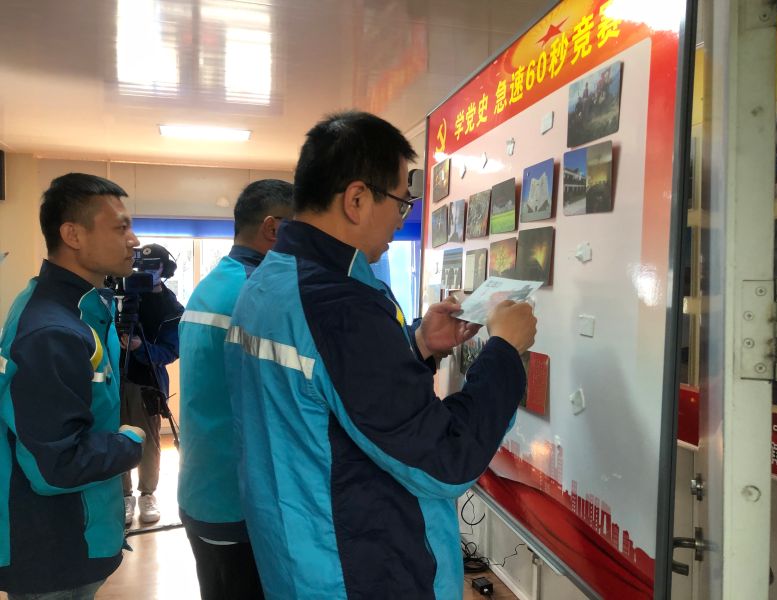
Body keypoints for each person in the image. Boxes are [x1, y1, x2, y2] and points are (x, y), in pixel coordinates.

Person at [224, 111, 537, 599]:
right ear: (356, 199)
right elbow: (445, 459)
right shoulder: (339, 305)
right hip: (358, 568)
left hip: (300, 555)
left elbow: (328, 393)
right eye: (401, 201)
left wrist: (419, 343)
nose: (401, 218)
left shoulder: (271, 279)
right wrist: (504, 351)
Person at [0, 173, 145, 599]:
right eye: (120, 227)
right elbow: (55, 466)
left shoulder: (77, 309)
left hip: (74, 533)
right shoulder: (53, 330)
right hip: (54, 547)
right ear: (73, 235)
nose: (134, 240)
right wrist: (129, 443)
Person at [178, 179, 293, 599]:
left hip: (204, 488)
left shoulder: (214, 283)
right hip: (239, 500)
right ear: (273, 228)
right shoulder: (257, 293)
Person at [119, 243, 184, 525]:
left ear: (164, 268)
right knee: (117, 438)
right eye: (141, 266)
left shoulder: (172, 308)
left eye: (152, 266)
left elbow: (171, 351)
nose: (145, 272)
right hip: (114, 379)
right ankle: (124, 495)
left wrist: (139, 348)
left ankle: (147, 494)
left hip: (147, 381)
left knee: (148, 440)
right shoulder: (123, 294)